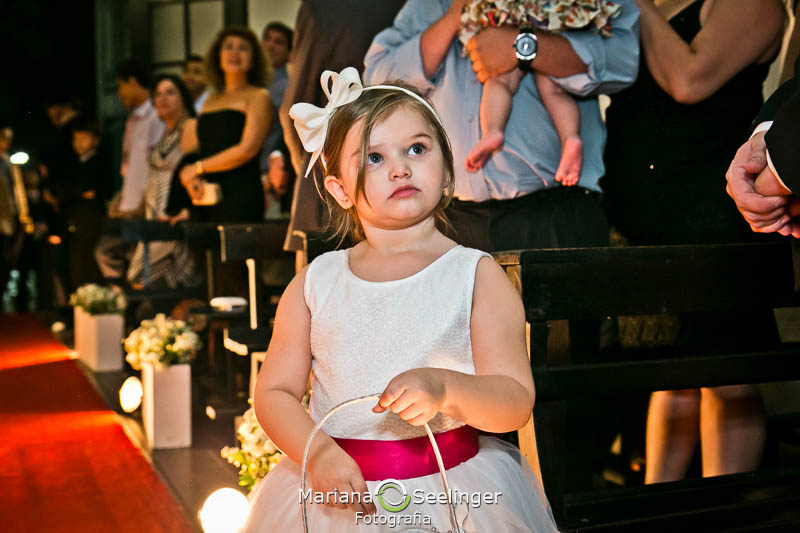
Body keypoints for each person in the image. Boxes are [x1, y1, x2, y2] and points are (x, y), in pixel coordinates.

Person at [242, 69, 556, 532]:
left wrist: (446, 388)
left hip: (455, 491)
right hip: (337, 491)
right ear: (340, 189)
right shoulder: (314, 284)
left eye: (416, 149)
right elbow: (274, 393)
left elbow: (514, 400)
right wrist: (319, 451)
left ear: (447, 169)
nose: (399, 168)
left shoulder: (476, 276)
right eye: (373, 157)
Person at [600, 0, 786, 484]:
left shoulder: (755, 4)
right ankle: (663, 508)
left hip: (712, 218)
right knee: (669, 376)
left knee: (725, 374)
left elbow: (689, 80)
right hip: (644, 221)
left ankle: (721, 513)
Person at [364, 0, 639, 255]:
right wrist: (451, 20)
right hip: (451, 218)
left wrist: (523, 46)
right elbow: (377, 78)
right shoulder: (432, 4)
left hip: (555, 214)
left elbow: (623, 61)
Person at [279, 0, 407, 269]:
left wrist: (308, 165)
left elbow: (295, 106)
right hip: (407, 164)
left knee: (322, 293)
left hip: (335, 166)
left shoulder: (325, 7)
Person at [458, 0, 621, 183]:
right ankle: (570, 137)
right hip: (554, 15)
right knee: (553, 88)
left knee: (501, 81)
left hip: (515, 16)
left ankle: (493, 131)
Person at [177, 26, 268, 223]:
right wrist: (189, 174)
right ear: (217, 57)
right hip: (207, 193)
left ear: (253, 59)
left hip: (241, 194)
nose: (235, 53)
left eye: (243, 48)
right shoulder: (209, 100)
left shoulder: (258, 96)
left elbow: (247, 149)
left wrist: (198, 168)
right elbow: (195, 147)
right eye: (228, 47)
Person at [127, 75, 199, 290]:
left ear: (183, 97)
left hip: (173, 212)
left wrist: (187, 209)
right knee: (149, 282)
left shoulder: (189, 126)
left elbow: (192, 170)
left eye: (170, 92)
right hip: (155, 212)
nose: (163, 98)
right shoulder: (165, 131)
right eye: (157, 94)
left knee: (145, 277)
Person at [94, 59, 164, 281]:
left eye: (121, 86)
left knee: (118, 256)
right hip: (129, 205)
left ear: (133, 82)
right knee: (121, 258)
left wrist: (143, 203)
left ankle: (126, 306)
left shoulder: (155, 116)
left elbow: (155, 166)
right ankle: (122, 305)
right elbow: (129, 167)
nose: (120, 93)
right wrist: (121, 198)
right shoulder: (134, 119)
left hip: (145, 206)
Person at [260, 21, 294, 215]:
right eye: (267, 39)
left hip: (270, 167)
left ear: (289, 52)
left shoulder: (288, 86)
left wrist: (277, 159)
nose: (271, 45)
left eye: (279, 42)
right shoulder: (250, 80)